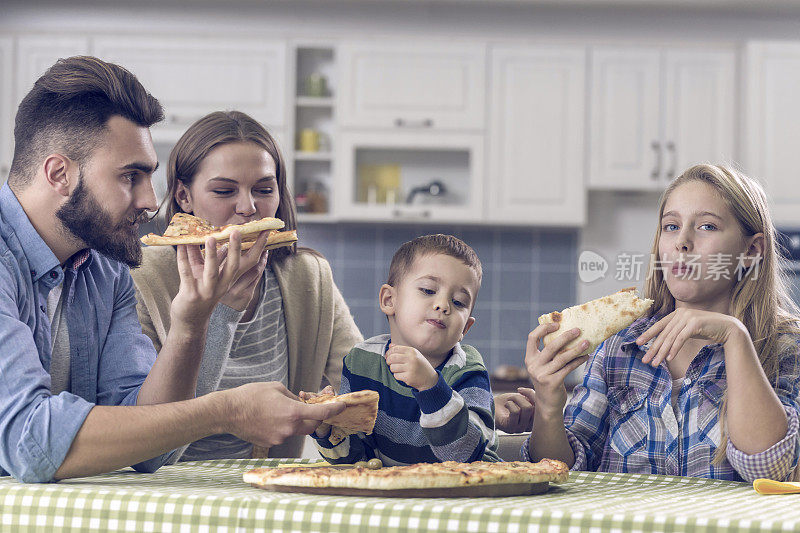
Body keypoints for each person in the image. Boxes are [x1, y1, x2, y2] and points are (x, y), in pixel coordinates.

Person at [0, 56, 345, 483]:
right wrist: (227, 409)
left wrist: (191, 324)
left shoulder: (105, 270)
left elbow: (151, 447)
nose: (150, 200)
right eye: (131, 176)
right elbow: (31, 440)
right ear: (59, 174)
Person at [523, 164, 800, 481]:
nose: (682, 242)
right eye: (671, 227)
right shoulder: (621, 345)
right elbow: (564, 467)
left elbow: (768, 469)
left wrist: (735, 336)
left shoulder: (784, 345)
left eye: (707, 227)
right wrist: (547, 406)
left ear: (751, 250)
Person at [131, 110, 362, 460]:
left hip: (268, 493)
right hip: (168, 495)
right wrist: (222, 313)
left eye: (264, 189)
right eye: (224, 191)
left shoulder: (309, 277)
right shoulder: (141, 278)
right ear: (183, 196)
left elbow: (358, 393)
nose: (248, 207)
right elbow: (150, 446)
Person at [312, 234, 500, 464]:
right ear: (389, 300)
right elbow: (358, 461)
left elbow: (468, 457)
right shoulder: (361, 362)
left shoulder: (469, 370)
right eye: (428, 290)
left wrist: (432, 388)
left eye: (459, 302)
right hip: (390, 496)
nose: (443, 305)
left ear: (466, 328)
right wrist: (328, 430)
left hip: (460, 495)